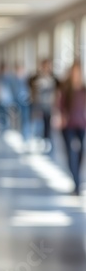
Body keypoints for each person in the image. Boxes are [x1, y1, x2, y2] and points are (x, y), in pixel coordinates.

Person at [55, 60, 86, 196]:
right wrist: (60, 117)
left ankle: (78, 180)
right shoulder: (65, 89)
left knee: (80, 153)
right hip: (68, 126)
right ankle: (76, 183)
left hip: (82, 124)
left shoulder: (84, 89)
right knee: (71, 153)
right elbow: (59, 105)